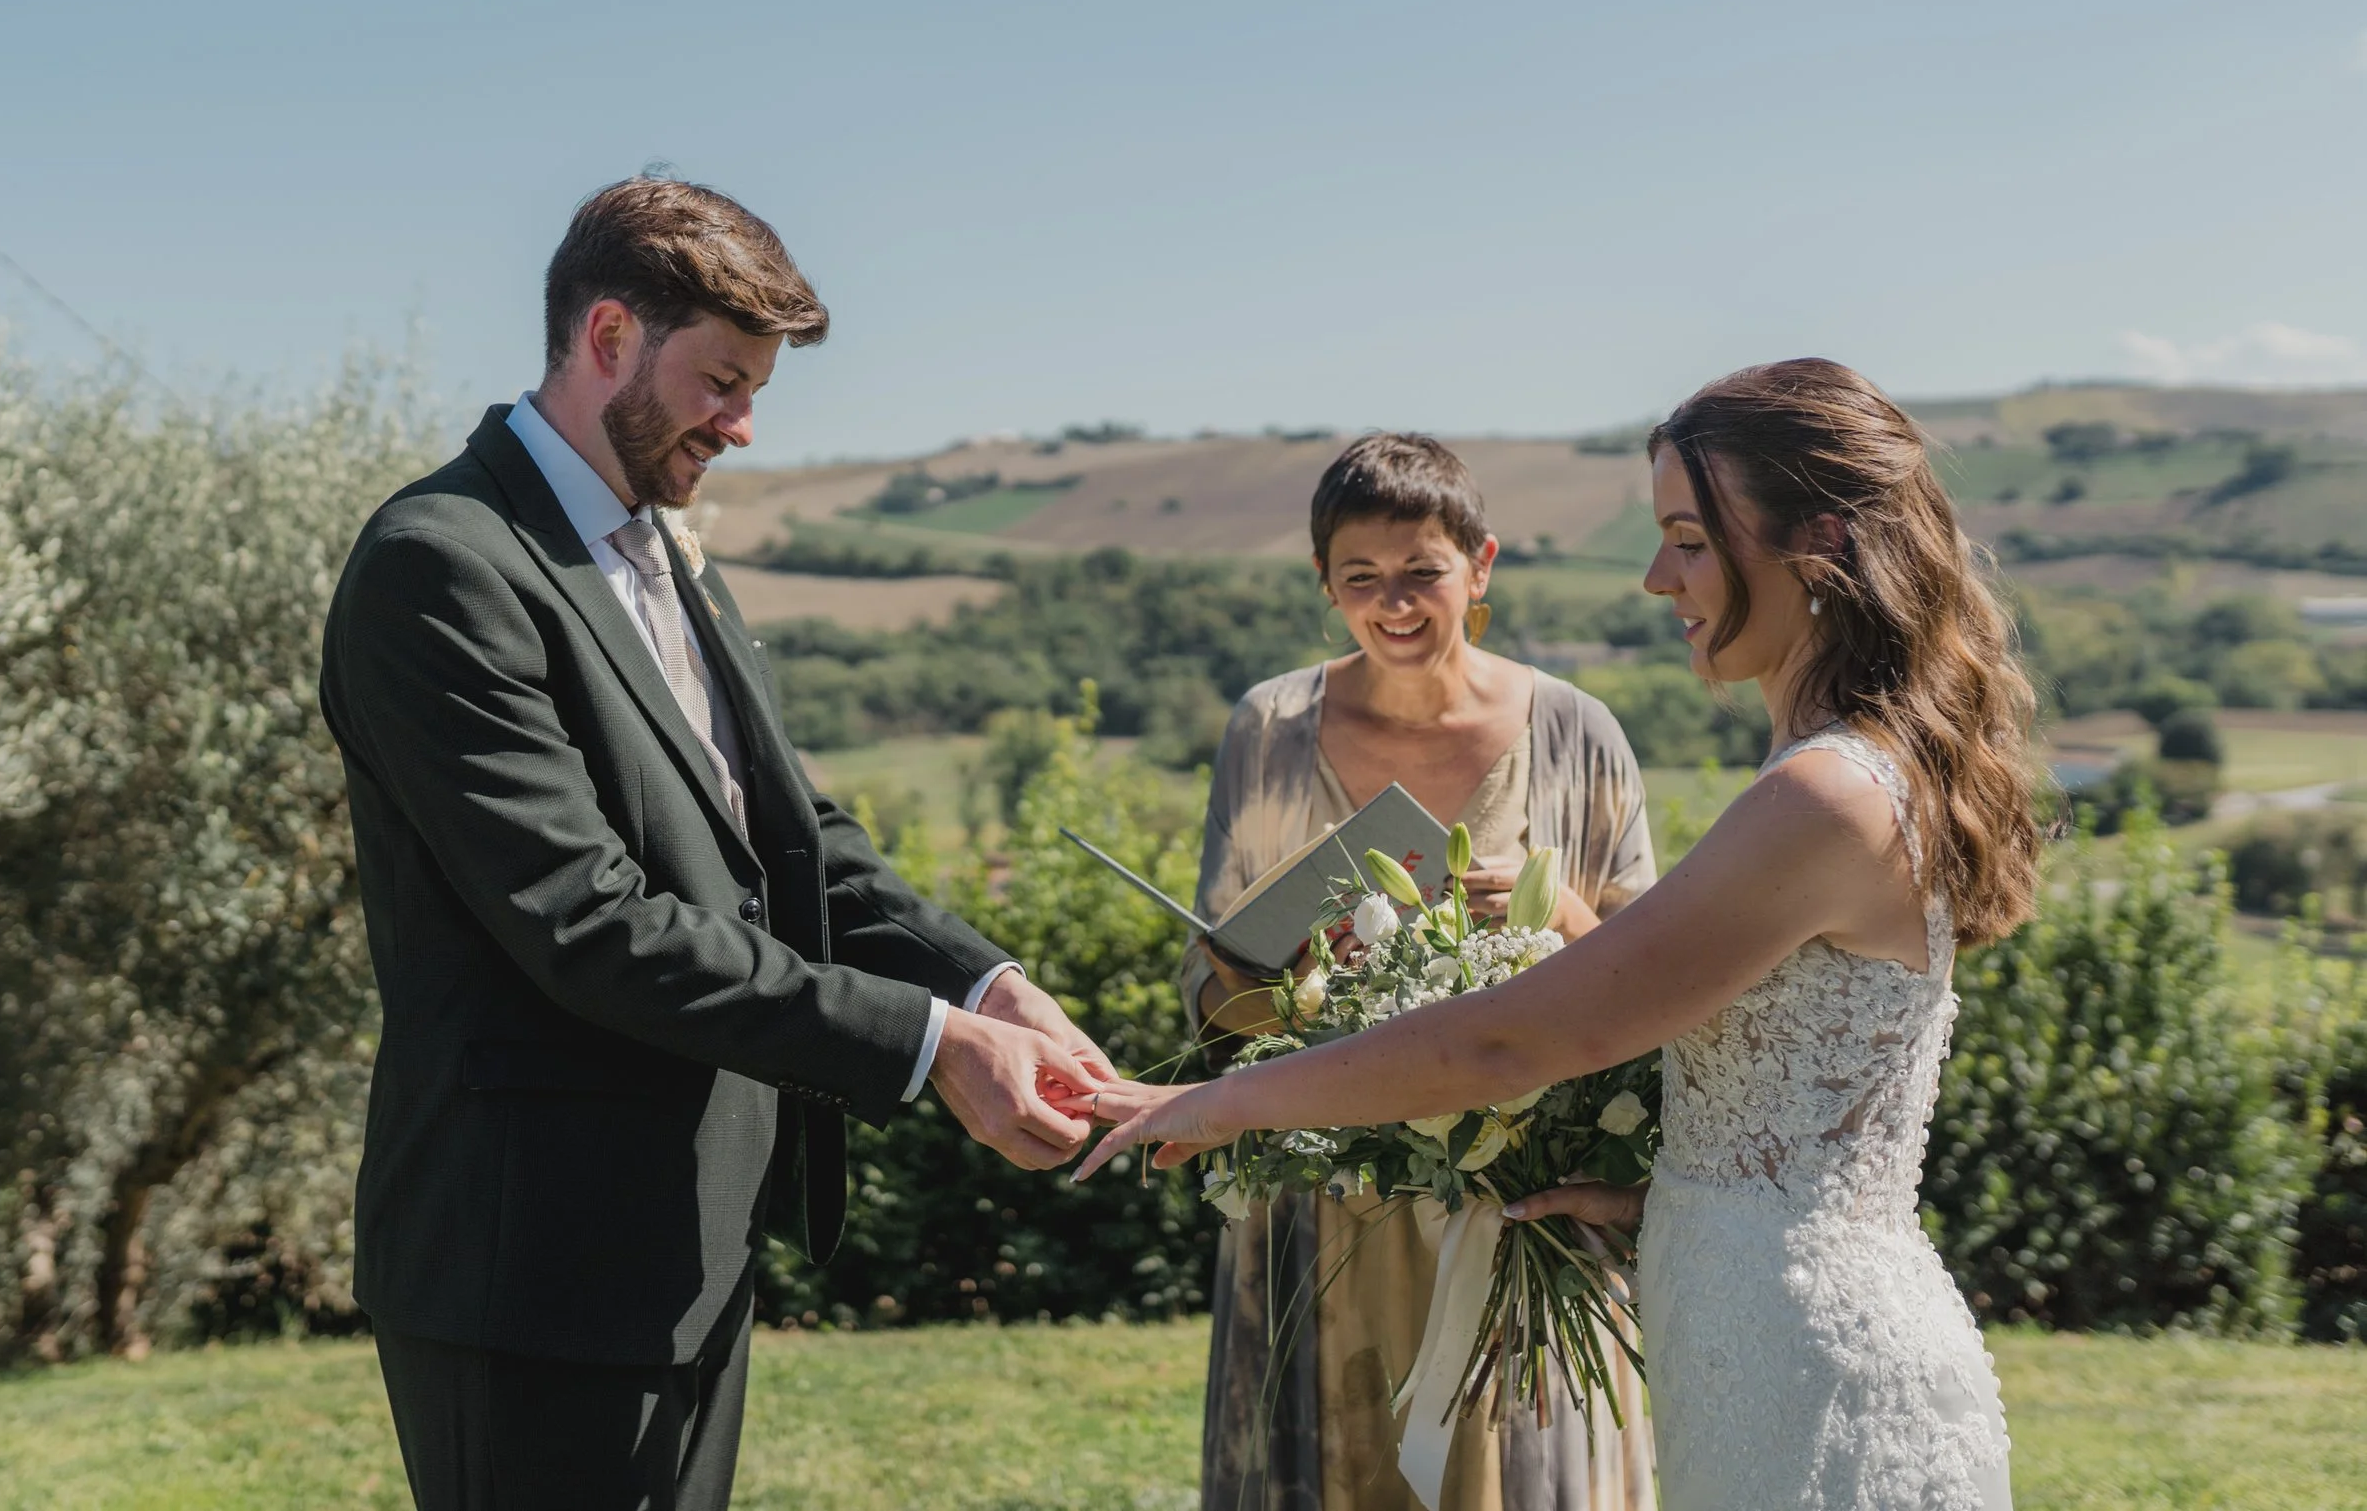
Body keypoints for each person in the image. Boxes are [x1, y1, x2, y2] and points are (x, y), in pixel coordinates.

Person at [1085, 361, 2043, 1511]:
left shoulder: (1826, 797)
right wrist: (1666, 1200)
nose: (1655, 576)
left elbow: (1508, 1045)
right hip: (1754, 1336)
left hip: (1805, 1376)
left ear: (1816, 545)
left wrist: (1213, 1100)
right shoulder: (1845, 777)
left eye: (1688, 539)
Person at [319, 176, 1111, 1511]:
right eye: (723, 382)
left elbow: (798, 846)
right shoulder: (440, 566)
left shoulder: (666, 559)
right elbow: (594, 925)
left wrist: (985, 983)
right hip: (532, 1267)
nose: (743, 426)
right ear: (610, 337)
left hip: (689, 1247)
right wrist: (931, 1050)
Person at [1179, 433, 1657, 1511]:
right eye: (1361, 579)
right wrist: (1280, 976)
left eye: (1421, 573)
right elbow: (1212, 990)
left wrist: (1564, 921)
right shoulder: (1267, 730)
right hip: (1323, 1205)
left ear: (1479, 564)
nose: (1393, 603)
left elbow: (1652, 985)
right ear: (1325, 586)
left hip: (1526, 1205)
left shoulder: (1579, 733)